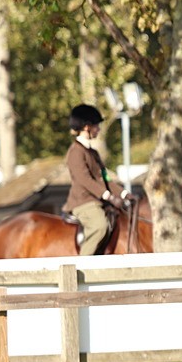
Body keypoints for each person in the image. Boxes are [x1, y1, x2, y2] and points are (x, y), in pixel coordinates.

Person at [62, 104, 135, 256]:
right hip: (83, 202)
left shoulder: (93, 153)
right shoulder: (75, 152)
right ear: (86, 127)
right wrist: (108, 196)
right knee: (100, 225)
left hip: (98, 200)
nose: (99, 129)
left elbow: (105, 178)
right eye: (96, 126)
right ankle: (81, 265)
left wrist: (123, 194)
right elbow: (85, 180)